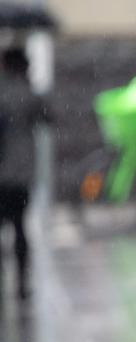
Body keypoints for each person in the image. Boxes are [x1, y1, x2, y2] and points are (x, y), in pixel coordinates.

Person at [0, 48, 47, 300]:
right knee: (19, 226)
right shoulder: (27, 94)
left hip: (3, 173)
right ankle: (20, 283)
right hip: (19, 173)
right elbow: (49, 117)